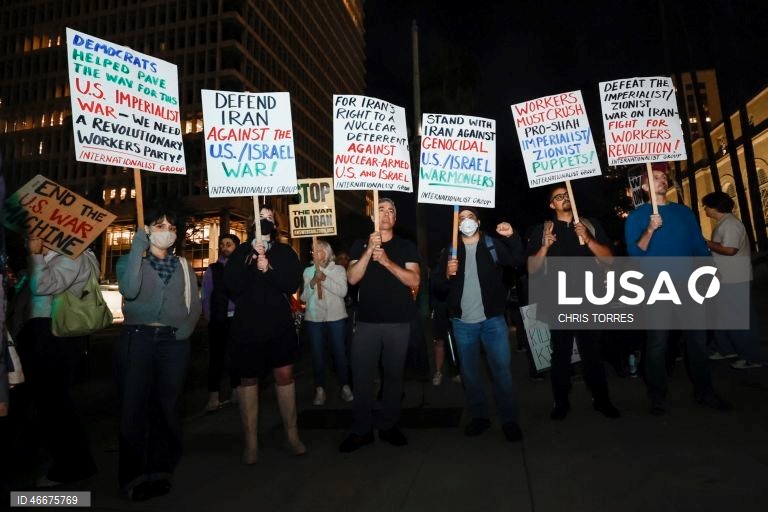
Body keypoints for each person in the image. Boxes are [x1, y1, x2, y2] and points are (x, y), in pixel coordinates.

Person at [625, 165, 731, 415]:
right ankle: (657, 396)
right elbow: (635, 255)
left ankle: (705, 392)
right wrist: (650, 229)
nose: (662, 180)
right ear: (644, 187)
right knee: (657, 344)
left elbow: (699, 248)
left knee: (697, 341)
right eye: (655, 178)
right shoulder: (637, 218)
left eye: (663, 177)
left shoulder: (684, 213)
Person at [116, 207, 201, 501]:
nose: (166, 229)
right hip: (138, 338)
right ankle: (134, 476)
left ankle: (162, 470)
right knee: (134, 408)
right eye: (159, 224)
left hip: (173, 342)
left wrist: (185, 331)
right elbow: (129, 289)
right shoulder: (129, 261)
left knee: (168, 407)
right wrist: (137, 246)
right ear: (148, 229)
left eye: (171, 225)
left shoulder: (183, 265)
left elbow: (195, 304)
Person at [527, 184, 620, 420]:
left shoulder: (590, 225)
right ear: (552, 205)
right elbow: (532, 268)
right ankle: (561, 402)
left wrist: (587, 239)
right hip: (558, 302)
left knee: (593, 353)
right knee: (561, 354)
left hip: (590, 299)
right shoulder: (542, 230)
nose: (564, 198)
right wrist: (545, 246)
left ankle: (602, 399)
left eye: (567, 195)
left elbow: (609, 260)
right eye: (558, 197)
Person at [432, 206, 525, 441]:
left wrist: (512, 236)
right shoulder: (449, 252)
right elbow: (438, 288)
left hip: (493, 321)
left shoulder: (492, 245)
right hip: (463, 324)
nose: (466, 221)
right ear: (456, 225)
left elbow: (518, 261)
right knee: (470, 375)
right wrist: (445, 273)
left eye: (470, 217)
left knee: (501, 373)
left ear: (478, 221)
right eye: (461, 218)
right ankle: (480, 417)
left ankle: (509, 420)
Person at [224, 205, 306, 464]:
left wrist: (268, 268)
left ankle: (291, 436)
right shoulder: (240, 252)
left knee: (284, 374)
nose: (266, 221)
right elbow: (231, 285)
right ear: (251, 224)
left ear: (277, 224)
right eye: (261, 218)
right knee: (248, 378)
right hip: (247, 323)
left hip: (277, 321)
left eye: (270, 218)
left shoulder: (285, 252)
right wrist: (251, 259)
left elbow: (291, 283)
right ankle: (251, 442)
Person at [13, 238, 98, 488]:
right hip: (41, 334)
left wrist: (37, 256)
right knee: (47, 403)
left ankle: (74, 465)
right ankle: (68, 461)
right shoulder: (57, 255)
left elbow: (42, 285)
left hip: (54, 335)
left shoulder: (73, 255)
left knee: (53, 404)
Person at [339, 197, 420, 452]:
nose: (385, 214)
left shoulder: (406, 246)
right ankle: (361, 430)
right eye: (380, 209)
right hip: (367, 323)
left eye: (390, 211)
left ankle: (388, 426)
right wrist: (367, 251)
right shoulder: (359, 245)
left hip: (398, 322)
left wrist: (386, 261)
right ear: (373, 216)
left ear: (395, 219)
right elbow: (352, 278)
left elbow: (414, 280)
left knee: (394, 378)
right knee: (362, 378)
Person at [702, 191, 763, 369]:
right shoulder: (724, 223)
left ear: (714, 207)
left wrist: (706, 242)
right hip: (726, 279)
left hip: (736, 279)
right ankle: (727, 349)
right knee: (724, 317)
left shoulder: (730, 224)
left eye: (706, 205)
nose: (704, 209)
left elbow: (730, 249)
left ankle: (751, 357)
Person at [301, 238, 354, 405]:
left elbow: (342, 291)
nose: (315, 253)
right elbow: (303, 297)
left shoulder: (338, 269)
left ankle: (345, 386)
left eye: (319, 250)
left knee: (339, 352)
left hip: (335, 319)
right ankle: (320, 389)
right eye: (313, 251)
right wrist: (312, 283)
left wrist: (324, 278)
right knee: (317, 354)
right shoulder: (308, 271)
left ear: (327, 252)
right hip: (314, 319)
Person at [201, 234, 241, 412]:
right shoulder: (213, 269)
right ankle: (213, 397)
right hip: (218, 320)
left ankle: (236, 392)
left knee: (236, 357)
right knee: (216, 359)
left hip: (237, 320)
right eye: (222, 245)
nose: (225, 247)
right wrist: (210, 317)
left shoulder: (242, 268)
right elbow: (206, 295)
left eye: (229, 244)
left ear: (236, 247)